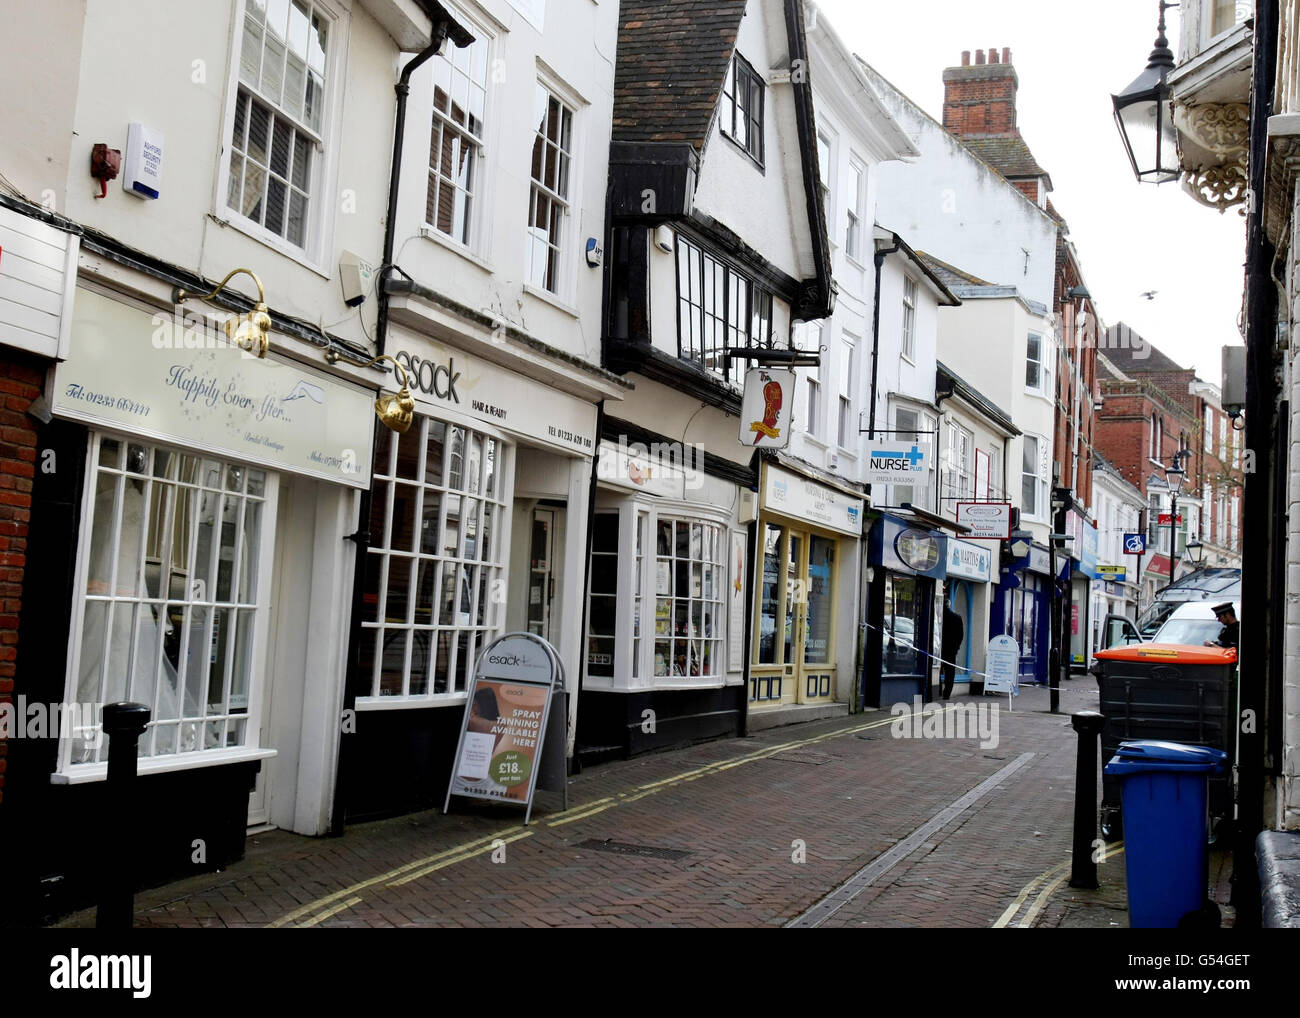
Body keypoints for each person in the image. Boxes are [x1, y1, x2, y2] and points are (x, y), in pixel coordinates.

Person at [940, 600, 965, 700]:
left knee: (936, 668)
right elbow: (960, 635)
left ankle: (937, 691)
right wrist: (956, 648)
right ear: (949, 605)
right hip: (951, 650)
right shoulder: (956, 617)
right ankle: (947, 694)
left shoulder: (939, 615)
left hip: (938, 647)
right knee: (950, 672)